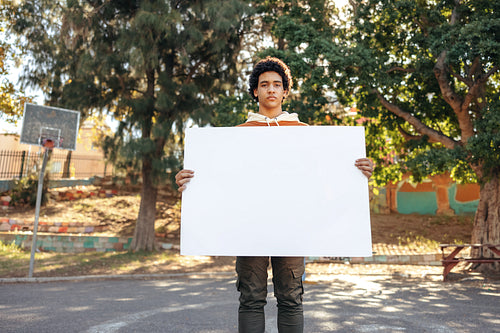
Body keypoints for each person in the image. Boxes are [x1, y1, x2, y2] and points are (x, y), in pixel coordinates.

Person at [175, 56, 373, 333]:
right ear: (255, 91)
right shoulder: (235, 136)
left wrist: (358, 172)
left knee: (291, 298)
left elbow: (326, 176)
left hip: (293, 228)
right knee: (251, 298)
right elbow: (219, 182)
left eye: (277, 84)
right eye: (264, 84)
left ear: (285, 91)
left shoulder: (306, 134)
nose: (271, 89)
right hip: (250, 228)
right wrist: (189, 182)